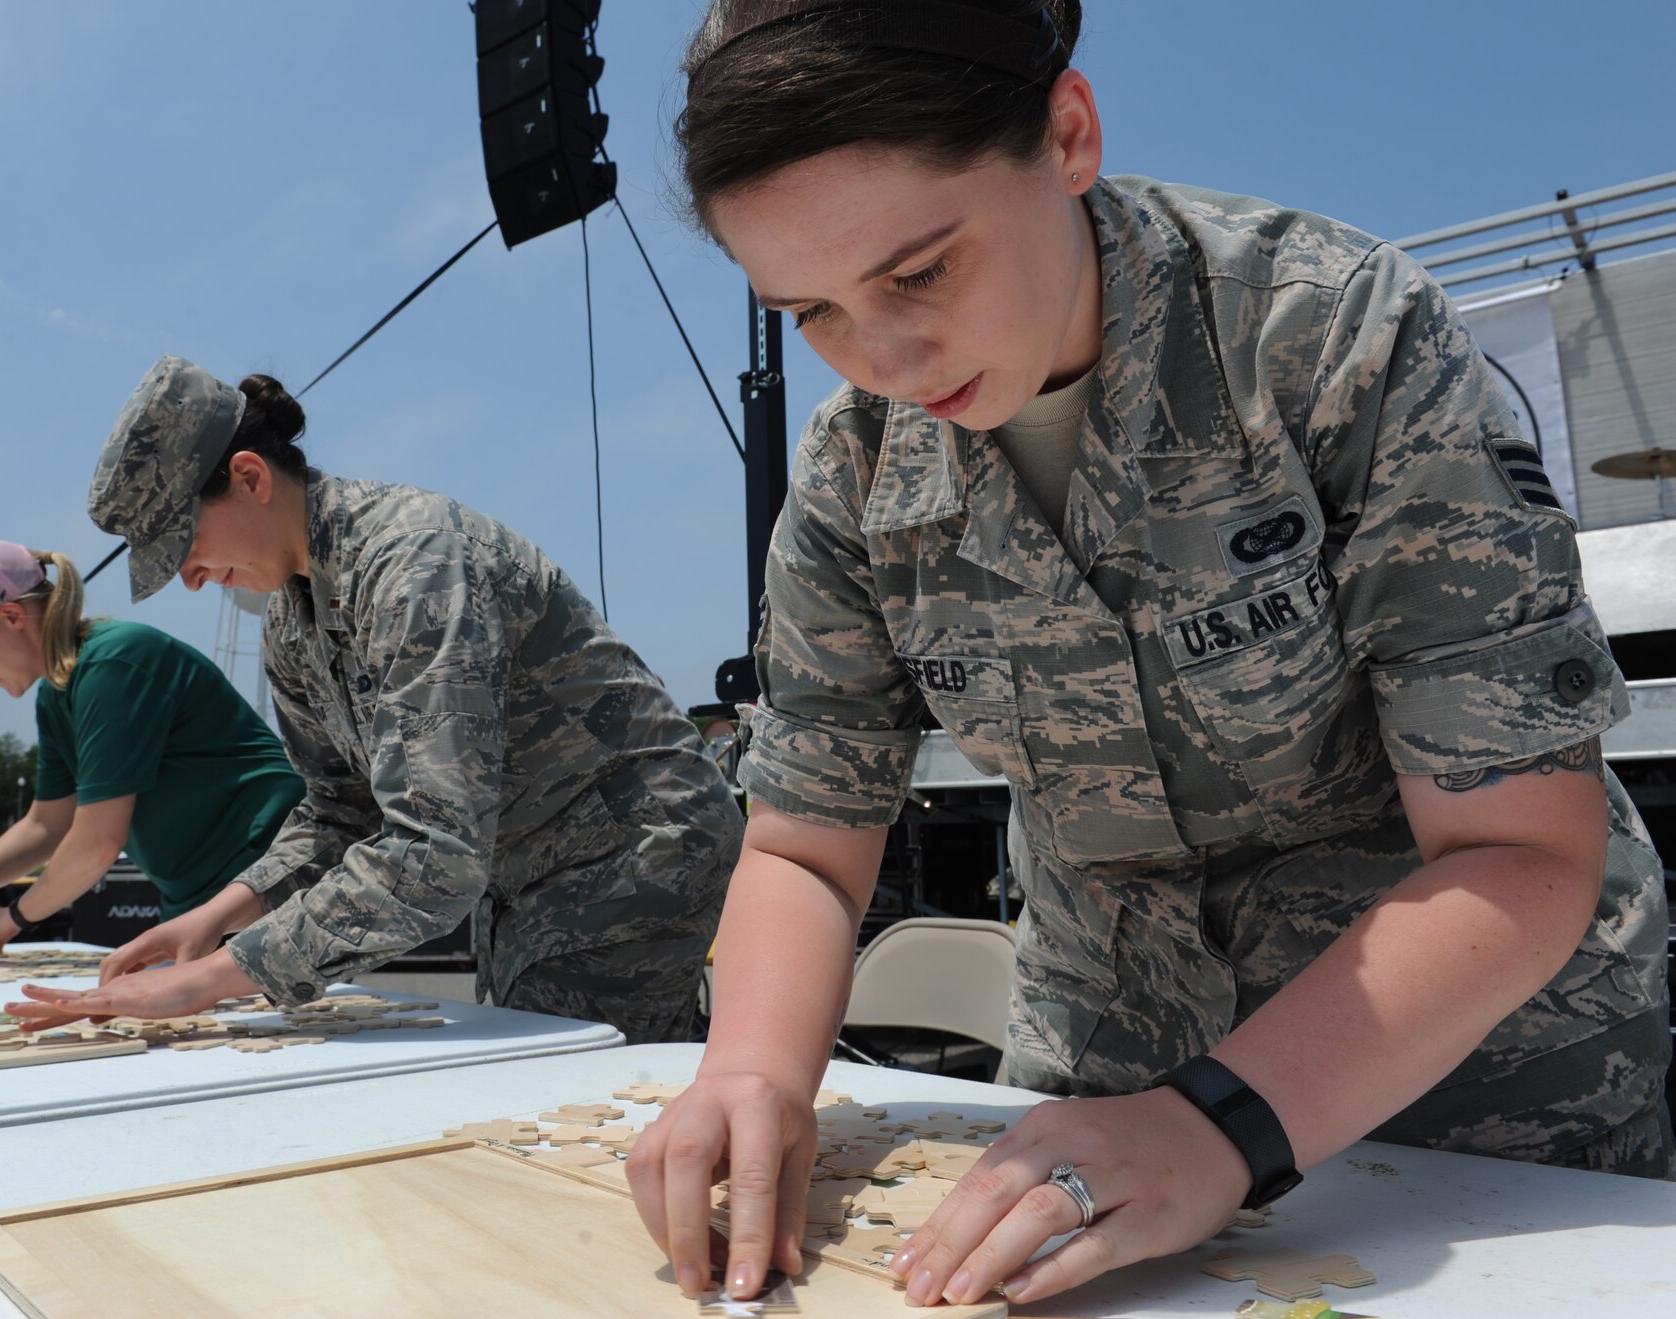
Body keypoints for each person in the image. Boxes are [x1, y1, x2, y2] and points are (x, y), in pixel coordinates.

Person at [625, 0, 1672, 1307]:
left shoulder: (1326, 338)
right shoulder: (853, 476)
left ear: (1068, 136)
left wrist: (1217, 1121)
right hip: (1102, 1087)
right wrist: (751, 1072)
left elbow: (1521, 848)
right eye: (810, 311)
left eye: (921, 271)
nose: (883, 359)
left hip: (1468, 1097)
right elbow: (803, 845)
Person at [10, 357, 741, 1045]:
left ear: (250, 476)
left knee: (578, 1096)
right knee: (550, 1075)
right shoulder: (293, 623)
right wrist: (218, 915)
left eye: (186, 544)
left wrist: (217, 979)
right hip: (533, 862)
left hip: (631, 844)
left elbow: (435, 853)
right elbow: (338, 811)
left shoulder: (412, 564)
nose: (193, 580)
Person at [0, 540, 303, 953]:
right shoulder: (58, 694)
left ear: (13, 617)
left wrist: (13, 917)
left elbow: (96, 844)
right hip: (205, 904)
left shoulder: (113, 664)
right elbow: (46, 827)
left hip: (276, 882)